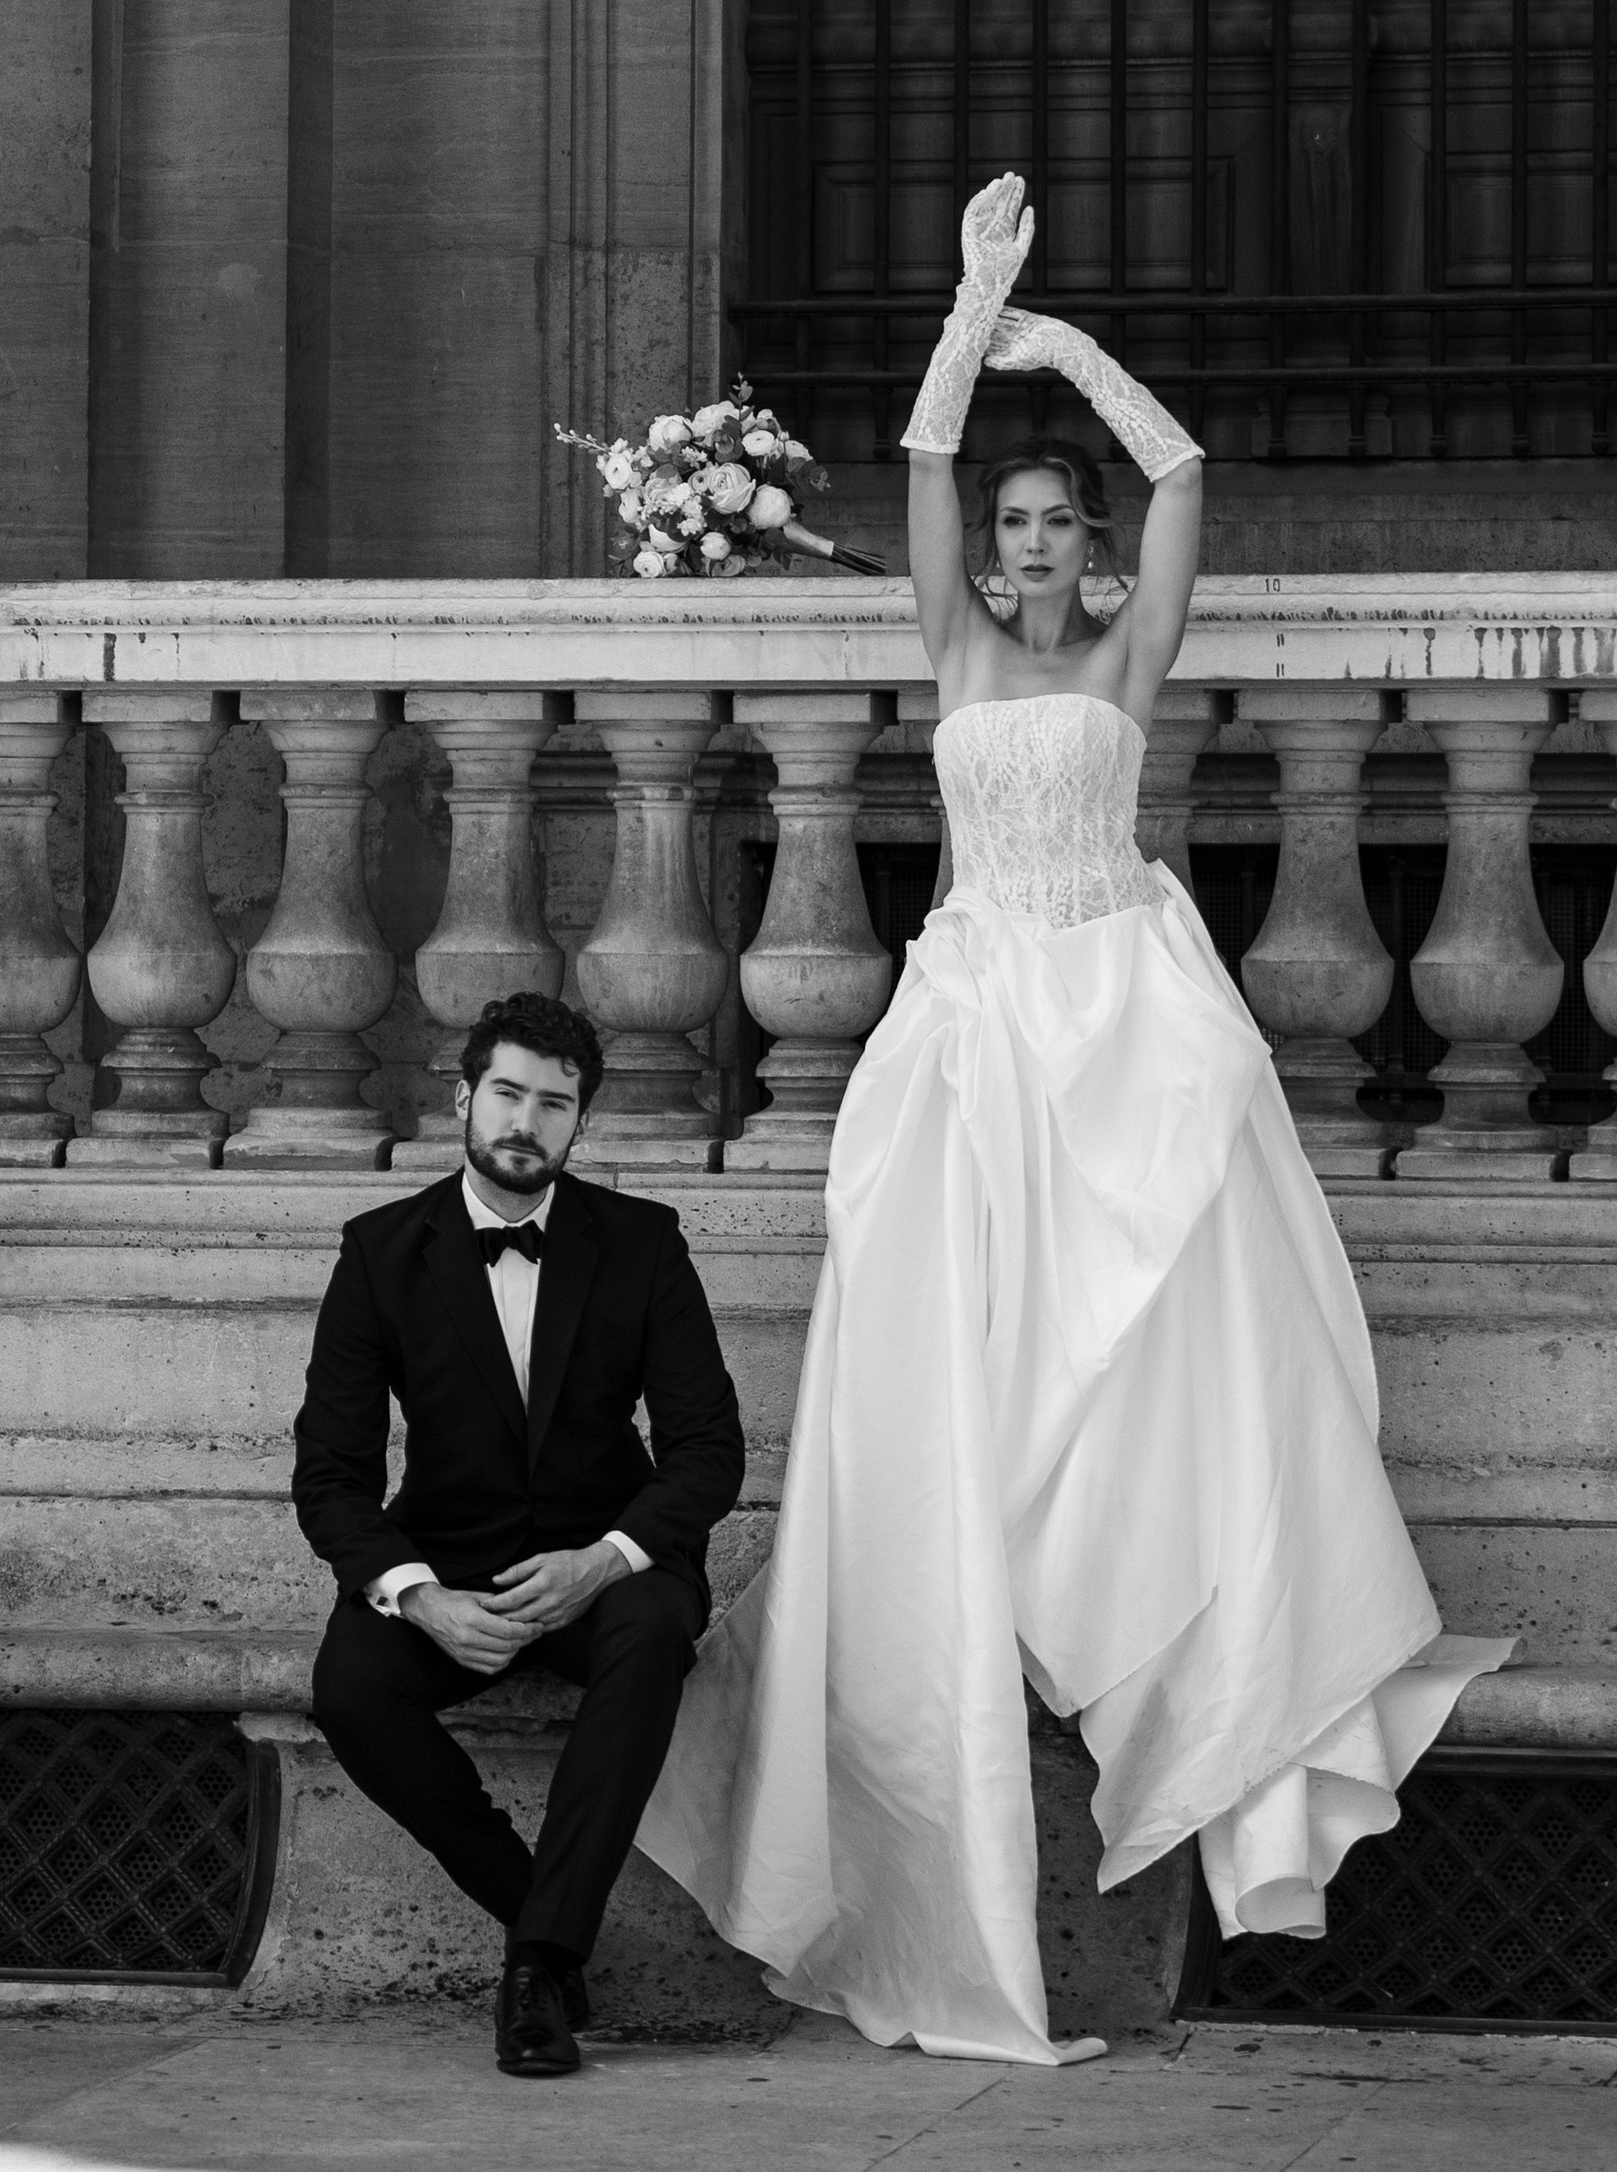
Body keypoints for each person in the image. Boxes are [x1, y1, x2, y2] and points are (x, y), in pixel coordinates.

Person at [640, 174, 1506, 2064]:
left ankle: (1184, 1648)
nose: (1025, 546)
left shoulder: (1123, 660)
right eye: (1013, 525)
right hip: (976, 1028)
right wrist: (970, 311)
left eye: (1051, 525)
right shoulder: (948, 643)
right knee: (969, 1365)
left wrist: (1074, 354)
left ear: (1086, 550)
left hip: (1127, 1016)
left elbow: (1186, 475)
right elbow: (924, 461)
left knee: (1171, 1354)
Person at [293, 989, 745, 2080]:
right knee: (352, 1688)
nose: (526, 1122)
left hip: (607, 1565)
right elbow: (332, 1476)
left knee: (650, 1637)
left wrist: (607, 1561)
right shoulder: (379, 1251)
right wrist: (419, 1595)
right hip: (452, 1562)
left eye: (555, 1103)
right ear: (463, 1099)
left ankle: (538, 1967)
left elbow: (706, 1448)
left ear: (579, 1123)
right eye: (507, 1093)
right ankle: (527, 1900)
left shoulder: (641, 1243)